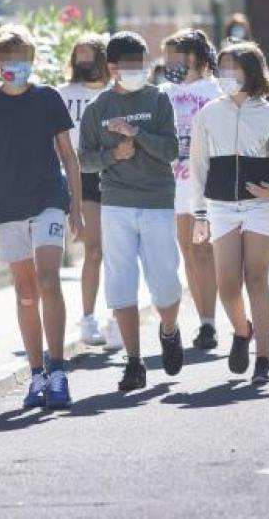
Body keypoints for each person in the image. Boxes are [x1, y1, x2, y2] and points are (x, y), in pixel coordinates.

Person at [0, 25, 84, 409]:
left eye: (21, 58)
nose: (14, 65)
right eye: (7, 59)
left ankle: (60, 370)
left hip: (48, 199)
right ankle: (37, 375)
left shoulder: (48, 98)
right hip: (6, 207)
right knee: (26, 292)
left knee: (49, 280)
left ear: (32, 60)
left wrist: (76, 208)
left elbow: (69, 155)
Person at [190, 42, 269, 384]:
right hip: (221, 208)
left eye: (234, 68)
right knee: (227, 285)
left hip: (262, 206)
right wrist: (199, 214)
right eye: (222, 68)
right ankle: (243, 331)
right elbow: (198, 165)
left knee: (256, 277)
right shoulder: (208, 112)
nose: (227, 75)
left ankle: (264, 359)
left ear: (251, 71)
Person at [78, 32, 184, 392]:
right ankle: (134, 362)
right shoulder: (98, 109)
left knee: (166, 283)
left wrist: (136, 134)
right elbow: (85, 161)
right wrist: (114, 156)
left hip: (156, 202)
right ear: (111, 68)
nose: (137, 71)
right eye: (129, 66)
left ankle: (169, 331)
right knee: (121, 284)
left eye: (141, 64)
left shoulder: (158, 100)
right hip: (117, 204)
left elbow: (171, 151)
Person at [161, 28, 222, 349]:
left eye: (175, 57)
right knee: (189, 252)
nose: (168, 64)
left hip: (210, 187)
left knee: (206, 252)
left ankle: (218, 318)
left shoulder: (217, 91)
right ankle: (205, 322)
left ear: (195, 58)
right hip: (175, 186)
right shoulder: (162, 93)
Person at [56, 33, 116, 348]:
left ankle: (118, 318)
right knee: (93, 251)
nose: (84, 62)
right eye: (78, 55)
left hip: (119, 174)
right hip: (83, 176)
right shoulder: (62, 94)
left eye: (90, 55)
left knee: (120, 253)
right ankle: (88, 317)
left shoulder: (116, 92)